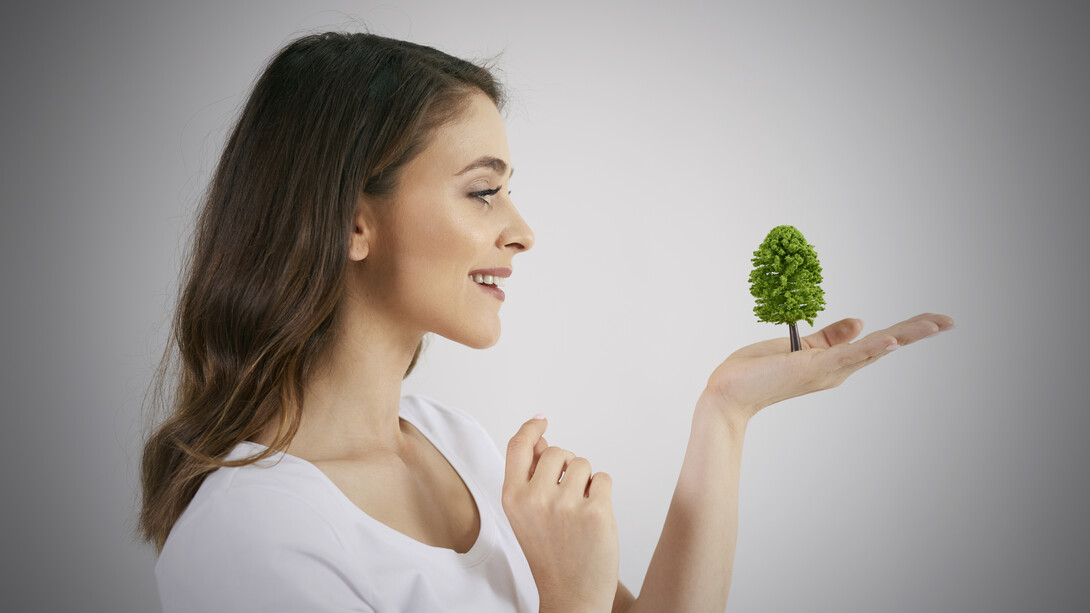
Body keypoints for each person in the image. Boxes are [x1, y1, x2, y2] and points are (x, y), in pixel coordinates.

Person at [140, 31, 954, 612]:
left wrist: (726, 412)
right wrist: (566, 598)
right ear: (354, 221)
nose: (522, 230)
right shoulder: (252, 541)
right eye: (482, 190)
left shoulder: (452, 441)